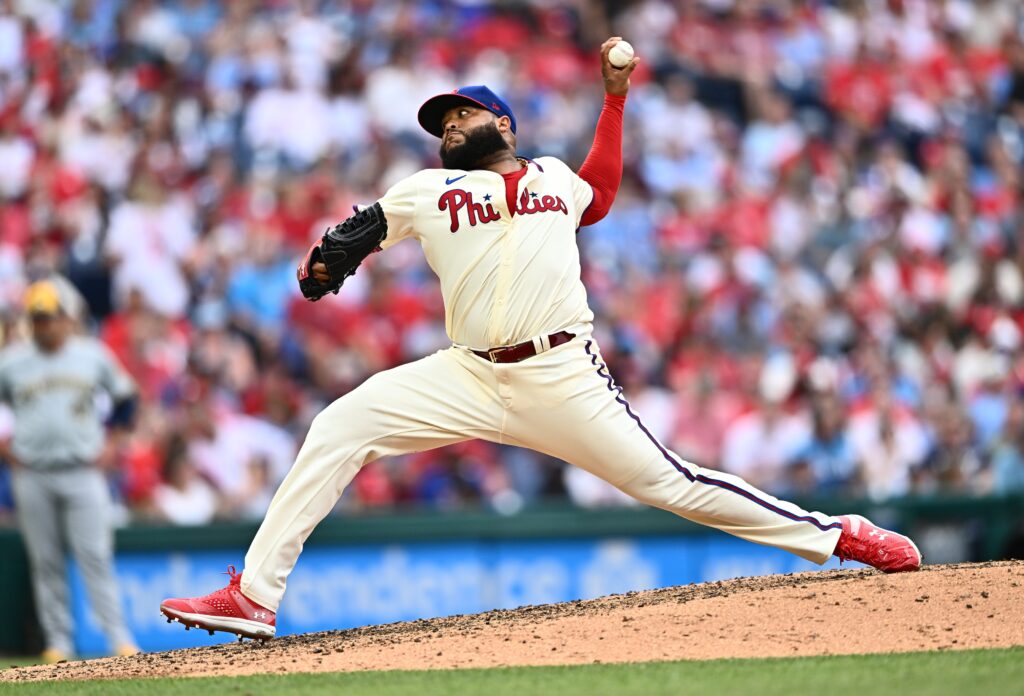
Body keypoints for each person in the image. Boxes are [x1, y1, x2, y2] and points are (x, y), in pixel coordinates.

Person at [161, 39, 921, 642]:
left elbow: (605, 189)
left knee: (672, 485)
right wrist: (332, 257)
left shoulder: (557, 177)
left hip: (562, 375)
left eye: (462, 115)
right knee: (339, 425)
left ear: (505, 125)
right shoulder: (427, 191)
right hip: (465, 374)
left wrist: (615, 101)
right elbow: (365, 232)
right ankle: (255, 597)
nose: (450, 127)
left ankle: (837, 536)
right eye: (442, 123)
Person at [0, 279, 140, 661]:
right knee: (45, 561)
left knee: (95, 555)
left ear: (67, 318)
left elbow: (127, 400)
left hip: (83, 469)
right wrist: (5, 448)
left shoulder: (91, 355)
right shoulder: (12, 360)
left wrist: (114, 446)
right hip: (33, 471)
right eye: (37, 318)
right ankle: (58, 643)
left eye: (50, 317)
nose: (44, 325)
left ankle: (119, 639)